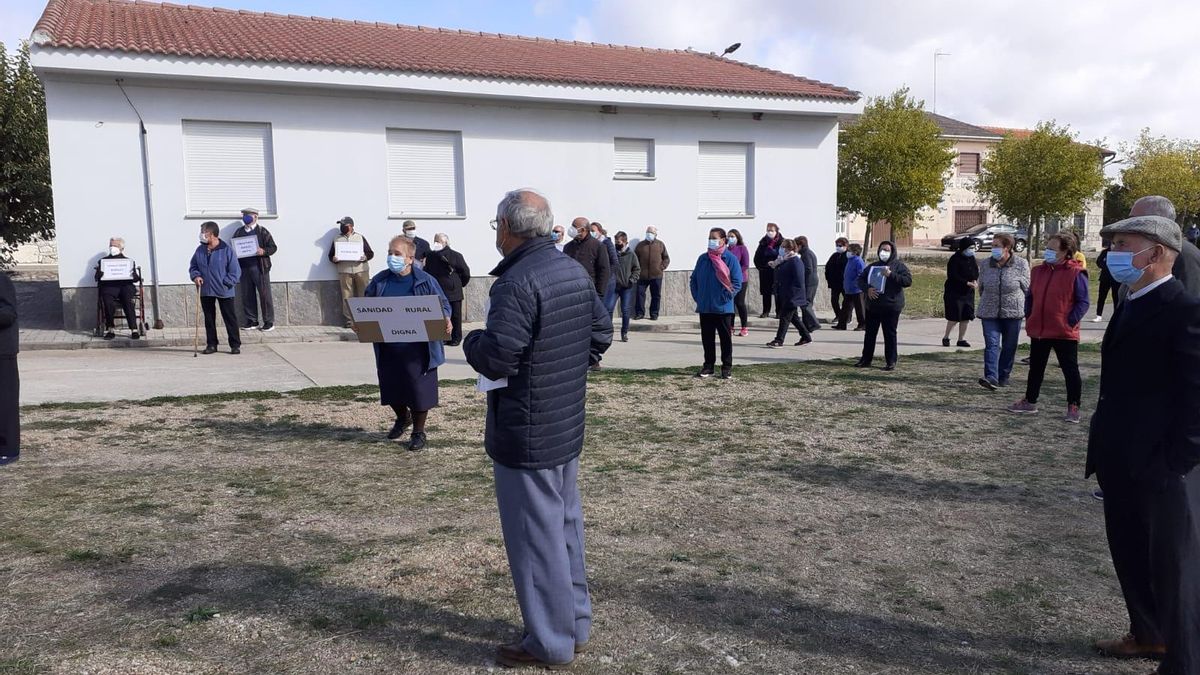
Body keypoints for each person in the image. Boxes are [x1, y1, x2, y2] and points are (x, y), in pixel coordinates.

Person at [463, 189, 611, 670]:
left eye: (495, 227)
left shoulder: (517, 282)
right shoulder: (570, 269)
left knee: (535, 539)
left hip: (527, 430)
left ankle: (549, 642)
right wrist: (566, 369)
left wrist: (470, 340)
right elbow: (600, 333)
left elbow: (499, 354)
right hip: (563, 424)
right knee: (564, 528)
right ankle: (575, 625)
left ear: (507, 228)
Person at [1086, 214, 1200, 673]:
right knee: (1130, 553)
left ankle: (1184, 663)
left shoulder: (1183, 309)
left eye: (1122, 244)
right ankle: (1148, 634)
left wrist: (1178, 461)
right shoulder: (1130, 299)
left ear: (1153, 253)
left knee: (1173, 570)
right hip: (1120, 457)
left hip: (1160, 466)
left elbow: (1196, 397)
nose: (1113, 253)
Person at [364, 235, 451, 451]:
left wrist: (446, 318)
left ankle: (418, 432)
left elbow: (443, 305)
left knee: (419, 391)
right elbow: (365, 307)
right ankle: (403, 418)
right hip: (389, 346)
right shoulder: (379, 281)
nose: (392, 257)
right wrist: (360, 322)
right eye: (389, 253)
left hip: (418, 349)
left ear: (410, 258)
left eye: (397, 254)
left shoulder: (425, 281)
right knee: (392, 388)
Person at [1007, 232, 1089, 422]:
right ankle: (1030, 401)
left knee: (1070, 369)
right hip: (1040, 329)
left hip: (1064, 331)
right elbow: (1030, 296)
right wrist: (1030, 314)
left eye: (1052, 249)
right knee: (1036, 368)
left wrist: (1069, 321)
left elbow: (1083, 302)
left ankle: (1073, 406)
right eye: (1047, 247)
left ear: (1065, 252)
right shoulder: (1038, 271)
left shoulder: (1076, 273)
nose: (1047, 252)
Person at [976, 233, 1030, 390]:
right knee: (991, 344)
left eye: (996, 246)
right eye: (992, 246)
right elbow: (982, 287)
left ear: (1007, 248)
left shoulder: (1021, 264)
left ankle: (1004, 375)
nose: (993, 249)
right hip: (989, 311)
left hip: (1013, 312)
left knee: (1009, 345)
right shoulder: (985, 264)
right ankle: (991, 376)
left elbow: (1027, 288)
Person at [690, 227, 744, 379]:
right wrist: (698, 296)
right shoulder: (703, 258)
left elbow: (737, 283)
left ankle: (726, 367)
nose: (711, 241)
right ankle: (708, 366)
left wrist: (725, 298)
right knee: (707, 339)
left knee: (725, 339)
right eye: (709, 238)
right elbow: (694, 280)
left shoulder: (730, 259)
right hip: (705, 307)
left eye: (714, 238)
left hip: (723, 308)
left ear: (723, 240)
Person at [1126, 196, 1200, 298]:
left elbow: (1188, 303)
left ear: (1160, 220)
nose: (1127, 224)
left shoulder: (1183, 254)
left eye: (1135, 219)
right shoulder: (1144, 248)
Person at [855, 241, 912, 371]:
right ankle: (866, 359)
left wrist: (891, 275)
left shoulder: (898, 266)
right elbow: (860, 280)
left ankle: (891, 361)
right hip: (873, 306)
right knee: (870, 334)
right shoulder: (873, 266)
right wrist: (867, 289)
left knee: (889, 334)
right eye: (881, 250)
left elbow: (907, 281)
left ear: (892, 252)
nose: (883, 252)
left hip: (891, 307)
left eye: (886, 250)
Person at [189, 221, 242, 355]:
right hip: (205, 289)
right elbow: (193, 266)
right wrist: (196, 276)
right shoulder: (200, 250)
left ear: (211, 234)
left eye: (203, 231)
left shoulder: (226, 250)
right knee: (209, 318)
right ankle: (212, 344)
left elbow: (235, 271)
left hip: (224, 290)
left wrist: (226, 282)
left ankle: (235, 345)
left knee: (229, 317)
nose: (201, 234)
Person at [423, 233, 471, 346]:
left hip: (453, 290)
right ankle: (445, 337)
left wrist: (459, 284)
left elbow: (465, 273)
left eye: (438, 241)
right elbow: (427, 271)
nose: (436, 243)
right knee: (440, 315)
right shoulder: (430, 256)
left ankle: (455, 338)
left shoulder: (456, 255)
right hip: (439, 290)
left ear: (445, 243)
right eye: (435, 241)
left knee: (455, 316)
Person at [235, 207, 278, 332]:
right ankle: (252, 320)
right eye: (244, 215)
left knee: (265, 295)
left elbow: (273, 247)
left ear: (255, 216)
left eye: (248, 215)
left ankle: (268, 321)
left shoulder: (262, 231)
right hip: (244, 267)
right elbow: (234, 245)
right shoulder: (239, 232)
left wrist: (263, 251)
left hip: (260, 267)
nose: (245, 217)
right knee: (247, 294)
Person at [765, 239, 813, 348]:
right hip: (785, 294)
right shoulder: (784, 260)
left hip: (792, 295)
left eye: (783, 247)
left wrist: (794, 296)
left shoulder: (795, 261)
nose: (780, 249)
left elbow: (799, 281)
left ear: (789, 249)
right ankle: (806, 337)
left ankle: (779, 340)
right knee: (794, 318)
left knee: (785, 318)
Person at [328, 216, 375, 328]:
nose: (342, 227)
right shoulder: (337, 239)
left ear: (351, 226)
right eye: (341, 225)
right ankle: (349, 320)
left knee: (363, 293)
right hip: (344, 270)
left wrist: (365, 257)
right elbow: (330, 255)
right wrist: (333, 259)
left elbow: (370, 253)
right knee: (347, 295)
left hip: (361, 270)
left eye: (344, 225)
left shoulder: (360, 237)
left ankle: (364, 318)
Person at [93, 237, 142, 340]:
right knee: (108, 302)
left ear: (121, 248)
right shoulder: (103, 261)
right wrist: (100, 274)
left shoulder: (128, 261)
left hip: (125, 286)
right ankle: (110, 329)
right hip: (110, 287)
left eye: (115, 246)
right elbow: (96, 278)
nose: (112, 248)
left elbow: (136, 279)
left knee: (128, 301)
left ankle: (134, 329)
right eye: (111, 245)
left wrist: (133, 275)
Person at [942, 238, 980, 347]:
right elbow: (953, 275)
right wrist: (966, 283)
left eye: (973, 248)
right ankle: (946, 337)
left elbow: (975, 271)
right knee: (954, 317)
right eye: (970, 248)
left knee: (966, 316)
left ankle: (961, 339)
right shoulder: (955, 259)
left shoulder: (972, 258)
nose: (972, 250)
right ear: (964, 248)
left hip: (968, 293)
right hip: (955, 292)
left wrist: (974, 280)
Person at [563, 216, 610, 298]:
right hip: (570, 291)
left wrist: (599, 293)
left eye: (574, 227)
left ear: (583, 230)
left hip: (589, 292)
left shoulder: (598, 246)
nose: (571, 229)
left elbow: (604, 270)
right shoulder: (568, 247)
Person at [0, 271, 18, 465]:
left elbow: (9, 313)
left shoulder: (1, 279)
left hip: (2, 349)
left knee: (4, 402)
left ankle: (8, 448)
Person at [634, 226, 669, 320]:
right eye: (648, 232)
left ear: (655, 235)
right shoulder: (640, 245)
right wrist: (637, 270)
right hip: (642, 276)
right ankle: (639, 313)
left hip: (656, 275)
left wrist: (661, 267)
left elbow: (666, 258)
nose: (649, 234)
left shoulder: (660, 244)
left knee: (656, 296)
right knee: (639, 295)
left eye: (651, 232)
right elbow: (635, 259)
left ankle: (654, 314)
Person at [613, 231, 641, 342]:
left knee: (625, 311)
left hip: (626, 287)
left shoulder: (631, 254)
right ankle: (607, 332)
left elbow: (637, 269)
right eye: (615, 242)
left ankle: (624, 333)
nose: (617, 244)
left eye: (619, 242)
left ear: (625, 242)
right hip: (614, 286)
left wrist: (632, 280)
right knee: (608, 308)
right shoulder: (613, 253)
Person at [753, 223, 784, 318]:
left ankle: (779, 312)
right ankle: (766, 311)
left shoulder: (782, 242)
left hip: (778, 270)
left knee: (778, 292)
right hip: (765, 270)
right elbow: (757, 257)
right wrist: (761, 267)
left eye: (772, 230)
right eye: (768, 230)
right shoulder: (763, 242)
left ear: (777, 231)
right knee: (766, 292)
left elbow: (784, 255)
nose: (770, 232)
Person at [590, 222, 619, 319]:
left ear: (600, 231)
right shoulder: (592, 244)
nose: (591, 233)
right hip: (596, 280)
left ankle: (607, 329)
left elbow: (614, 262)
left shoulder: (607, 243)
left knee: (606, 307)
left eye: (593, 231)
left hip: (608, 281)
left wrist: (606, 276)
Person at [727, 228, 751, 336]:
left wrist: (736, 273)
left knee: (740, 303)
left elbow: (745, 264)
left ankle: (744, 327)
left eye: (732, 236)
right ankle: (730, 326)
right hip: (728, 280)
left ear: (737, 237)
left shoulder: (742, 248)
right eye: (728, 236)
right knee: (730, 304)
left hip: (741, 279)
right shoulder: (726, 250)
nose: (730, 238)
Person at [795, 236, 821, 332]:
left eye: (796, 246)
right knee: (806, 303)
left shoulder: (806, 254)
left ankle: (814, 323)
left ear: (800, 245)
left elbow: (808, 269)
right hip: (811, 281)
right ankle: (808, 325)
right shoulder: (807, 253)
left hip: (809, 282)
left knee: (805, 303)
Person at [840, 243, 866, 331]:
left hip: (857, 289)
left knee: (860, 308)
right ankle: (842, 324)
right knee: (845, 307)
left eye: (849, 250)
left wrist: (855, 284)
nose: (847, 252)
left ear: (855, 252)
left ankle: (862, 324)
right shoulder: (850, 260)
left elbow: (861, 275)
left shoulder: (858, 261)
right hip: (849, 289)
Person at [826, 237, 850, 329]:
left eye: (840, 245)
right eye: (837, 245)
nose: (838, 247)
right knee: (834, 300)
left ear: (846, 246)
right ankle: (839, 315)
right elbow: (828, 267)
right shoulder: (834, 256)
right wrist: (828, 278)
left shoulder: (848, 256)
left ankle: (847, 317)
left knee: (846, 302)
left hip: (844, 283)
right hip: (835, 283)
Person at [1091, 238, 1115, 322]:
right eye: (1112, 243)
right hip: (1105, 277)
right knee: (1101, 297)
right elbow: (1099, 261)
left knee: (1116, 297)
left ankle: (1116, 315)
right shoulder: (1105, 252)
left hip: (1116, 278)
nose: (1113, 245)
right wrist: (1105, 266)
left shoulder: (1120, 252)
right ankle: (1098, 315)